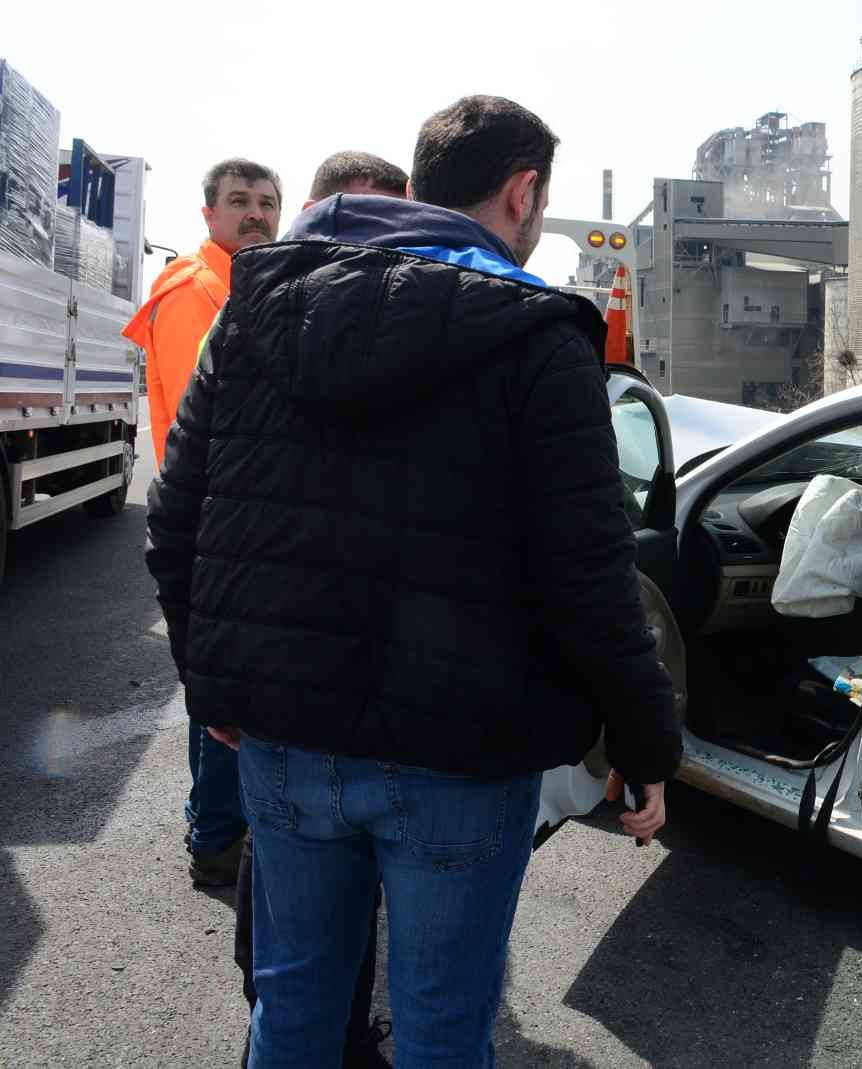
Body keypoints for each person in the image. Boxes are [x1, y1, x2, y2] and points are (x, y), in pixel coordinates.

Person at [145, 96, 680, 1068]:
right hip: (462, 755)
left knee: (292, 1012)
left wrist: (211, 681)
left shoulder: (256, 308)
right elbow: (593, 580)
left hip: (286, 737)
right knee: (441, 1031)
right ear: (522, 192)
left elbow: (175, 518)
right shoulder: (537, 337)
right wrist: (643, 743)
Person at [229, 153, 410, 1069]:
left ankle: (326, 1025)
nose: (372, 241)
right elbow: (197, 517)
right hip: (285, 676)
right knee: (291, 916)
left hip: (342, 683)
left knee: (325, 902)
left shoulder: (420, 322)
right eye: (357, 216)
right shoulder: (251, 315)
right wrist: (216, 673)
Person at [123, 158, 282, 888]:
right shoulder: (198, 290)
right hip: (215, 518)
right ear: (208, 214)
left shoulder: (238, 283)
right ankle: (217, 837)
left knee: (225, 679)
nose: (256, 214)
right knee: (225, 683)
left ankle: (215, 824)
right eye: (239, 201)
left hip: (224, 516)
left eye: (267, 203)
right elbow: (217, 419)